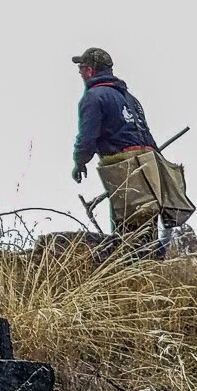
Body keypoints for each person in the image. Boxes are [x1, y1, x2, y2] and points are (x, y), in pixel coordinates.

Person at [70, 47, 162, 249]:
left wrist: (79, 162)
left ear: (90, 71)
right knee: (148, 230)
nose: (81, 75)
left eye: (82, 70)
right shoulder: (131, 99)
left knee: (129, 235)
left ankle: (135, 276)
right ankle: (155, 273)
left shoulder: (94, 97)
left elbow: (87, 139)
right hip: (150, 167)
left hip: (124, 168)